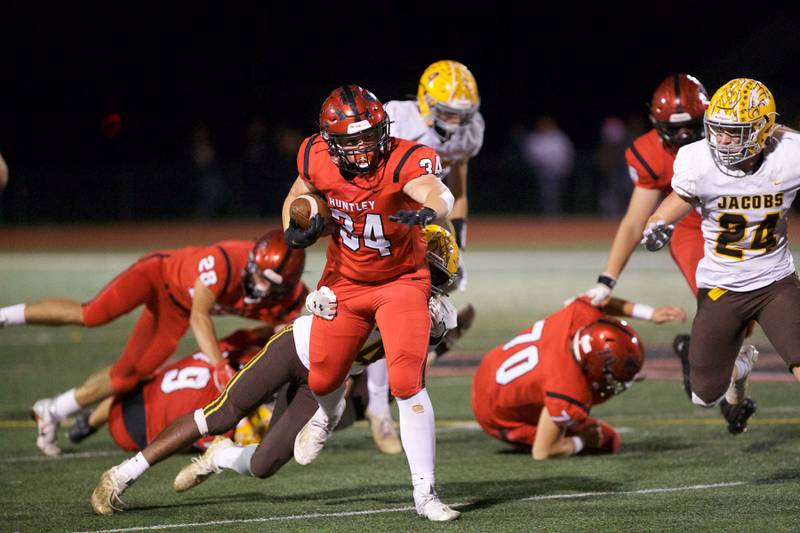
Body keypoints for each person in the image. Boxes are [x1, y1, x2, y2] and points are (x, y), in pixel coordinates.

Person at [89, 224, 460, 517]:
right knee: (221, 414)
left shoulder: (433, 315)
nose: (431, 282)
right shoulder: (372, 274)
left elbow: (413, 357)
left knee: (264, 465)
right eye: (429, 270)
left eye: (436, 276)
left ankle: (220, 456)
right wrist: (325, 296)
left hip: (325, 384)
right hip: (296, 349)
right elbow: (337, 283)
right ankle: (122, 474)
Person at [280, 84, 459, 521]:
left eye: (368, 136)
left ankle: (426, 493)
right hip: (344, 281)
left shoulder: (403, 157)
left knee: (406, 382)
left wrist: (429, 213)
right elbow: (295, 199)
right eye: (350, 139)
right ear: (329, 141)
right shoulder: (315, 156)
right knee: (322, 380)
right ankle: (328, 412)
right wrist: (294, 224)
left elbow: (439, 192)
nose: (362, 147)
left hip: (401, 280)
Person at [0, 230, 307, 456]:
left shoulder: (293, 300)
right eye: (260, 276)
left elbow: (287, 338)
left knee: (126, 376)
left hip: (175, 312)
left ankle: (53, 410)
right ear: (252, 259)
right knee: (93, 314)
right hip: (158, 275)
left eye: (273, 285)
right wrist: (218, 365)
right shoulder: (227, 260)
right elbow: (200, 316)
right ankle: (5, 315)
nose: (262, 286)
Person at [579, 75, 758, 433]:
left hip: (737, 219)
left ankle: (709, 363)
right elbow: (634, 220)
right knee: (723, 305)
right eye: (671, 131)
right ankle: (723, 390)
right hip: (691, 226)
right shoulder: (650, 152)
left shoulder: (731, 133)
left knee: (748, 316)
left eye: (689, 128)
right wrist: (607, 279)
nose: (680, 140)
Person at [642, 78, 800, 420]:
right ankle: (740, 367)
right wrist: (657, 223)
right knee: (704, 396)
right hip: (721, 287)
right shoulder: (697, 159)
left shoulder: (790, 154)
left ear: (762, 130)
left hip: (775, 282)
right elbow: (677, 200)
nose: (723, 140)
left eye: (735, 132)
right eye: (717, 129)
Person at [366, 60, 483, 455]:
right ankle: (377, 406)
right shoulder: (395, 118)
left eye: (461, 114)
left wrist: (459, 243)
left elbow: (458, 187)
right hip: (382, 219)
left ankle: (388, 396)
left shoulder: (469, 132)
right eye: (447, 110)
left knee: (415, 307)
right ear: (424, 99)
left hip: (426, 219)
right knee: (377, 313)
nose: (454, 120)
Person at [472, 296, 684, 459]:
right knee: (608, 439)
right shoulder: (568, 388)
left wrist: (649, 313)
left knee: (543, 387)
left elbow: (601, 300)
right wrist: (583, 441)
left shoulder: (579, 315)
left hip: (490, 364)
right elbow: (543, 452)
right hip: (492, 414)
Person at [69, 328, 270, 450]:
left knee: (149, 370)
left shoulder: (223, 350)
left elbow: (259, 333)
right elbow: (214, 442)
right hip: (132, 431)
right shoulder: (221, 399)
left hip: (139, 393)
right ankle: (90, 419)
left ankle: (90, 418)